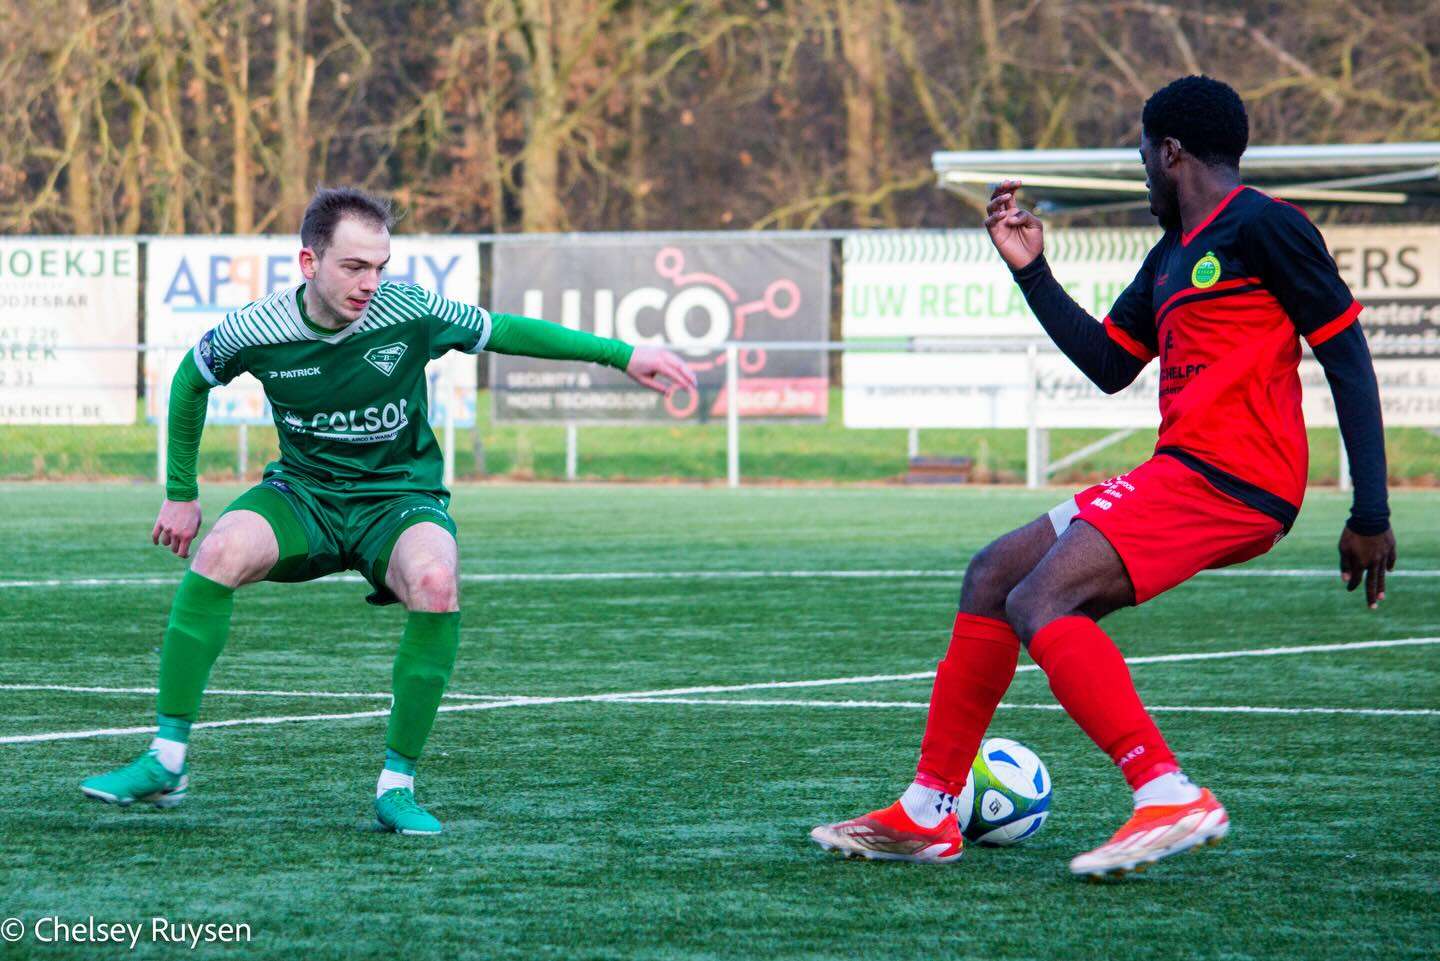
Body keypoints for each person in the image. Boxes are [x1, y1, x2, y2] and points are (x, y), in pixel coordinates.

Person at [810, 75, 1396, 877]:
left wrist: (1370, 508)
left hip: (1236, 479)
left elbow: (1347, 356)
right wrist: (1031, 272)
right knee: (993, 575)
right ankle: (927, 812)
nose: (1143, 171)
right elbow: (1110, 363)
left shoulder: (1266, 225)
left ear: (1171, 151)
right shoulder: (1171, 257)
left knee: (1040, 599)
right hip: (1184, 471)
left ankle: (1167, 791)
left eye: (1143, 156)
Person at [81, 187, 697, 835]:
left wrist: (623, 354)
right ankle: (167, 759)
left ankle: (396, 785)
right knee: (219, 551)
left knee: (436, 581)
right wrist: (181, 490)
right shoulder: (256, 328)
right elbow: (189, 380)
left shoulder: (408, 310)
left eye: (380, 266)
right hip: (305, 497)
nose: (370, 282)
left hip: (398, 501)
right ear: (309, 262)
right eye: (354, 266)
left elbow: (506, 330)